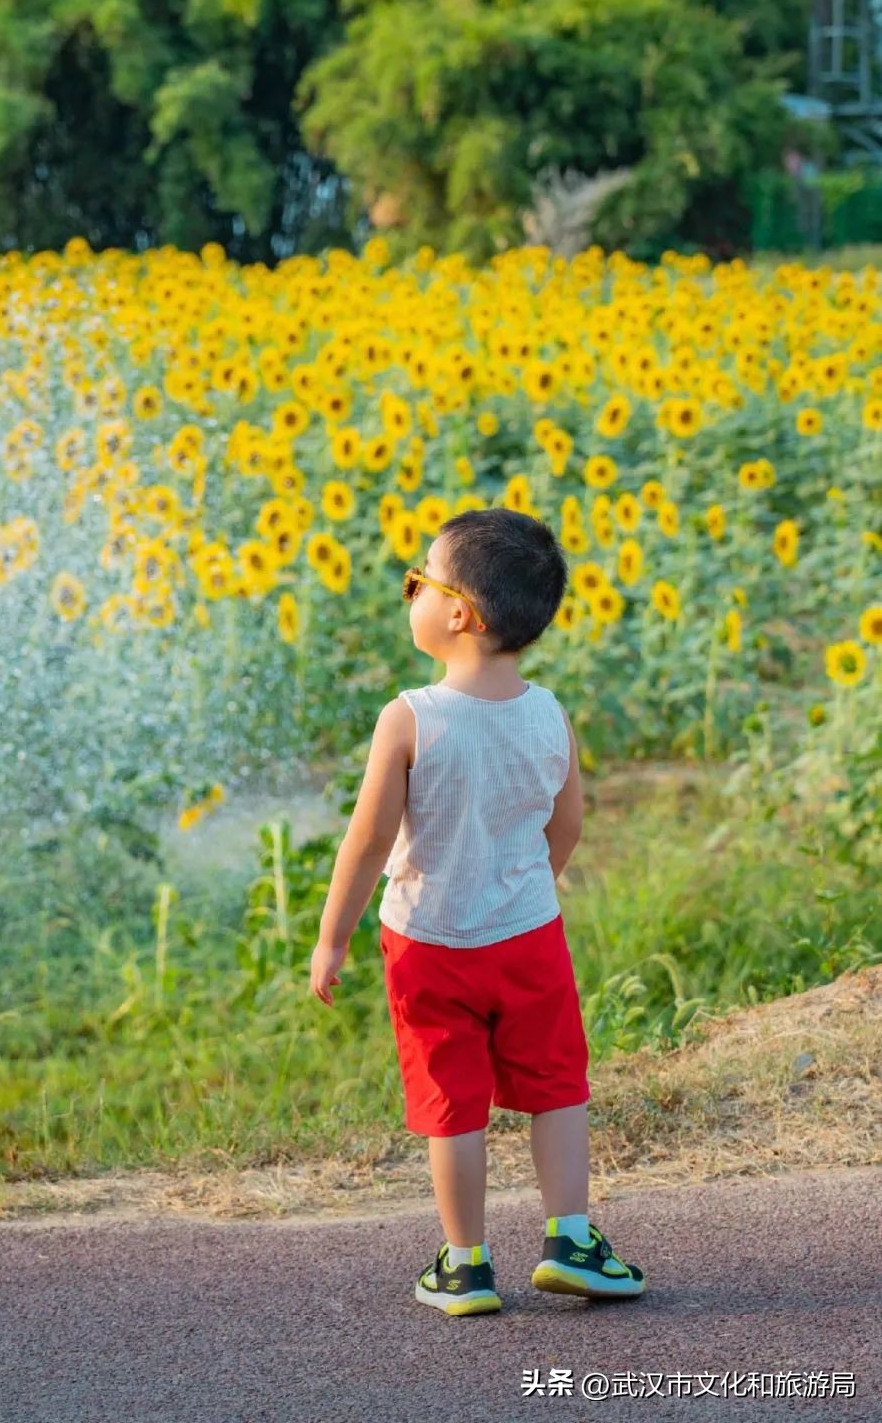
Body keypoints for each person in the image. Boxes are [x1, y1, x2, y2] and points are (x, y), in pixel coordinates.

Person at [310, 507, 647, 1317]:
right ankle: (571, 1239)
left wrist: (332, 937)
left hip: (427, 941)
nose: (411, 592)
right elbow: (566, 826)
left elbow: (366, 842)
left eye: (417, 578)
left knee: (450, 1101)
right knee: (557, 1083)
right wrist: (527, 884)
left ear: (459, 612)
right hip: (528, 934)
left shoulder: (410, 718)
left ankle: (465, 1266)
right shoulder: (548, 712)